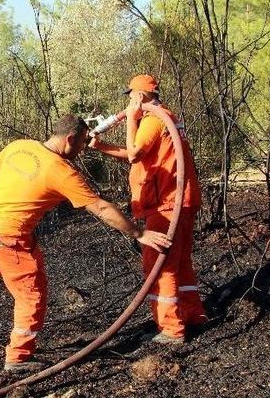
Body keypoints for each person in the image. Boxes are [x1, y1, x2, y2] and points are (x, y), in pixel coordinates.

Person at [0, 114, 171, 374]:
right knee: (31, 294)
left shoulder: (19, 146)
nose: (81, 150)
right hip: (9, 236)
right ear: (69, 138)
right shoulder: (61, 171)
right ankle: (18, 358)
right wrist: (138, 233)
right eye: (81, 144)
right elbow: (101, 208)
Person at [89, 74, 208, 344]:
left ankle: (171, 329)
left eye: (131, 95)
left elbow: (134, 154)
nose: (129, 101)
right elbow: (139, 154)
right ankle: (193, 316)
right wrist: (102, 147)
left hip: (166, 204)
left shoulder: (154, 119)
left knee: (159, 266)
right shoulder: (165, 118)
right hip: (180, 200)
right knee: (180, 264)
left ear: (141, 97)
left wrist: (131, 118)